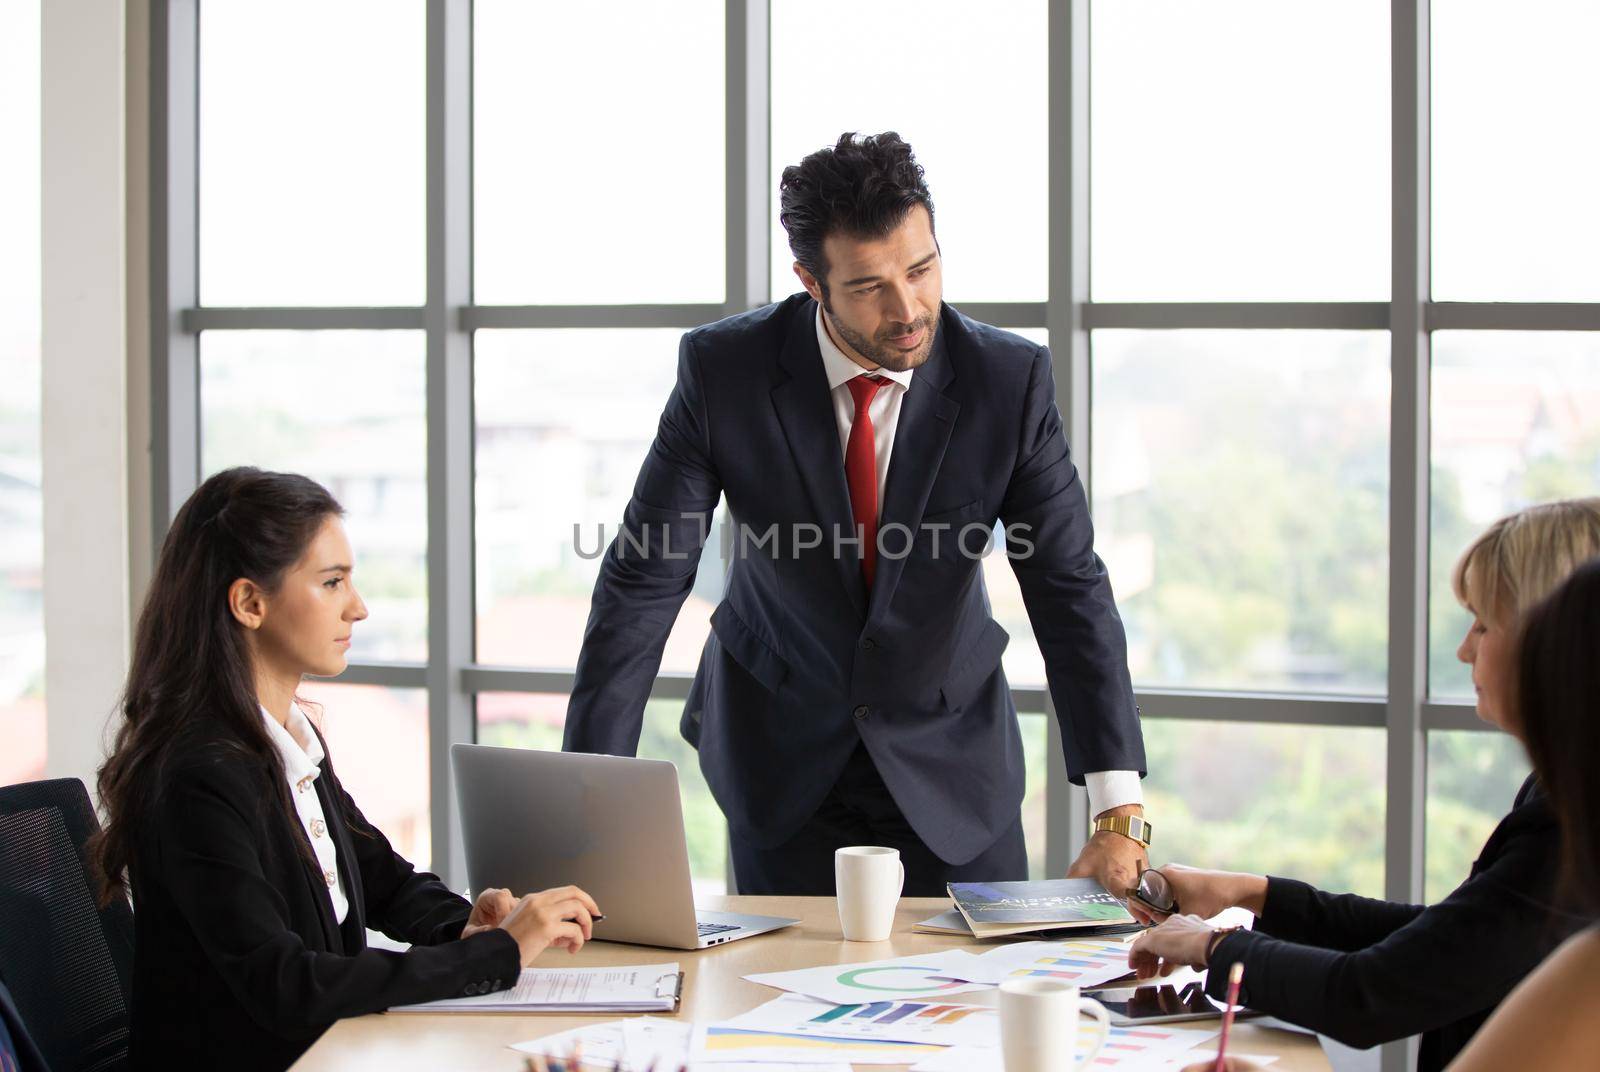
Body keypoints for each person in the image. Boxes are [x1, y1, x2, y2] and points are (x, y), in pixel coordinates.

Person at [562, 132, 1148, 896]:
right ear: (812, 281)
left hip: (953, 769)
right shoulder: (724, 374)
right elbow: (644, 580)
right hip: (781, 759)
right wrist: (583, 808)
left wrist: (1117, 811)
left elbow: (1069, 584)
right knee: (779, 1008)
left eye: (922, 268)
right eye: (870, 286)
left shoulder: (1009, 382)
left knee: (971, 1005)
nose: (908, 309)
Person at [91, 468, 600, 1072]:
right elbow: (286, 984)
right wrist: (494, 955)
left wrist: (464, 923)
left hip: (330, 1053)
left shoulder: (286, 743)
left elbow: (383, 879)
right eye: (332, 583)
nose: (357, 608)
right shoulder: (197, 774)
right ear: (251, 603)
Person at [1134, 498, 1600, 1072]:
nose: (1463, 650)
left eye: (1482, 623)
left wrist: (1213, 948)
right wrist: (1251, 894)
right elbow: (1444, 940)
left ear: (1550, 642)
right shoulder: (1555, 804)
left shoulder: (1561, 834)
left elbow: (1369, 993)